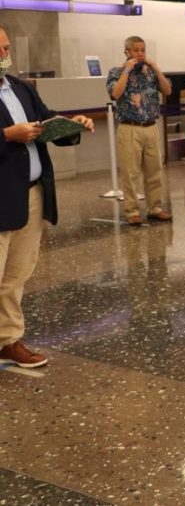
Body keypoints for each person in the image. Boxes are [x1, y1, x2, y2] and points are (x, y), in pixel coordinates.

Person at [0, 24, 94, 367]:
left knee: (16, 275)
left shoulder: (22, 89)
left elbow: (45, 124)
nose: (4, 56)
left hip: (32, 194)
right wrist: (7, 135)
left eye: (6, 48)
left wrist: (71, 126)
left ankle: (8, 339)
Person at [106, 36, 173, 225]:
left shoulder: (150, 73)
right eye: (136, 50)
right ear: (127, 52)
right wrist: (126, 71)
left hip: (150, 126)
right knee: (130, 172)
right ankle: (132, 211)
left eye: (143, 50)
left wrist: (157, 69)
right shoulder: (116, 72)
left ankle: (155, 207)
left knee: (154, 170)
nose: (140, 54)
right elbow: (115, 93)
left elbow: (167, 91)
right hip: (130, 128)